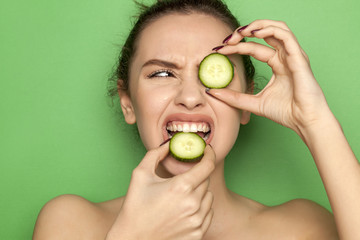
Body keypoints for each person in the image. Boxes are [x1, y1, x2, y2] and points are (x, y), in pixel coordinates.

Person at [33, 0, 360, 239]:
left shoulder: (302, 228)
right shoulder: (71, 224)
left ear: (248, 104)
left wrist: (315, 121)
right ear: (128, 103)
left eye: (214, 73)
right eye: (162, 73)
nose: (190, 97)